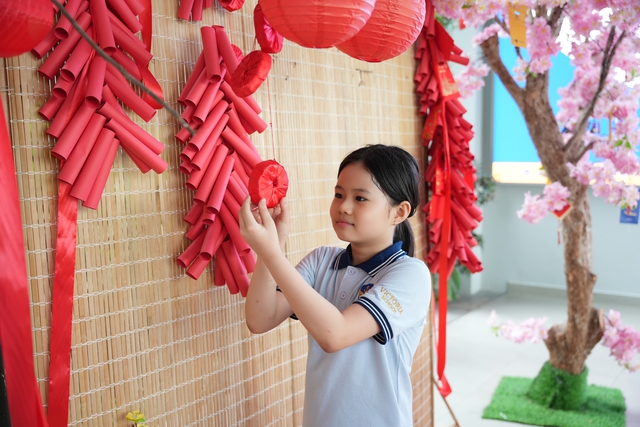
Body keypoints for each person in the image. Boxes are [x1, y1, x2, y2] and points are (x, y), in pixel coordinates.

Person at [239, 144, 431, 427]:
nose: (344, 206)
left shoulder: (410, 275)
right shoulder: (321, 261)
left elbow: (335, 335)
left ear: (399, 212)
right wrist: (274, 244)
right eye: (339, 194)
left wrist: (271, 253)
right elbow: (260, 318)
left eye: (360, 198)